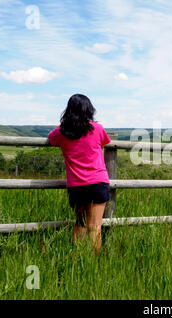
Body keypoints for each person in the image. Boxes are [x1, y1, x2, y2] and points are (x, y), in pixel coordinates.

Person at [48, 94, 112, 253]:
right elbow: (105, 142)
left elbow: (51, 139)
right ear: (89, 110)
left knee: (81, 224)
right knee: (95, 227)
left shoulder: (60, 132)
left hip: (76, 185)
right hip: (98, 182)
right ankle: (93, 264)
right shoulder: (98, 129)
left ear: (68, 111)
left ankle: (76, 260)